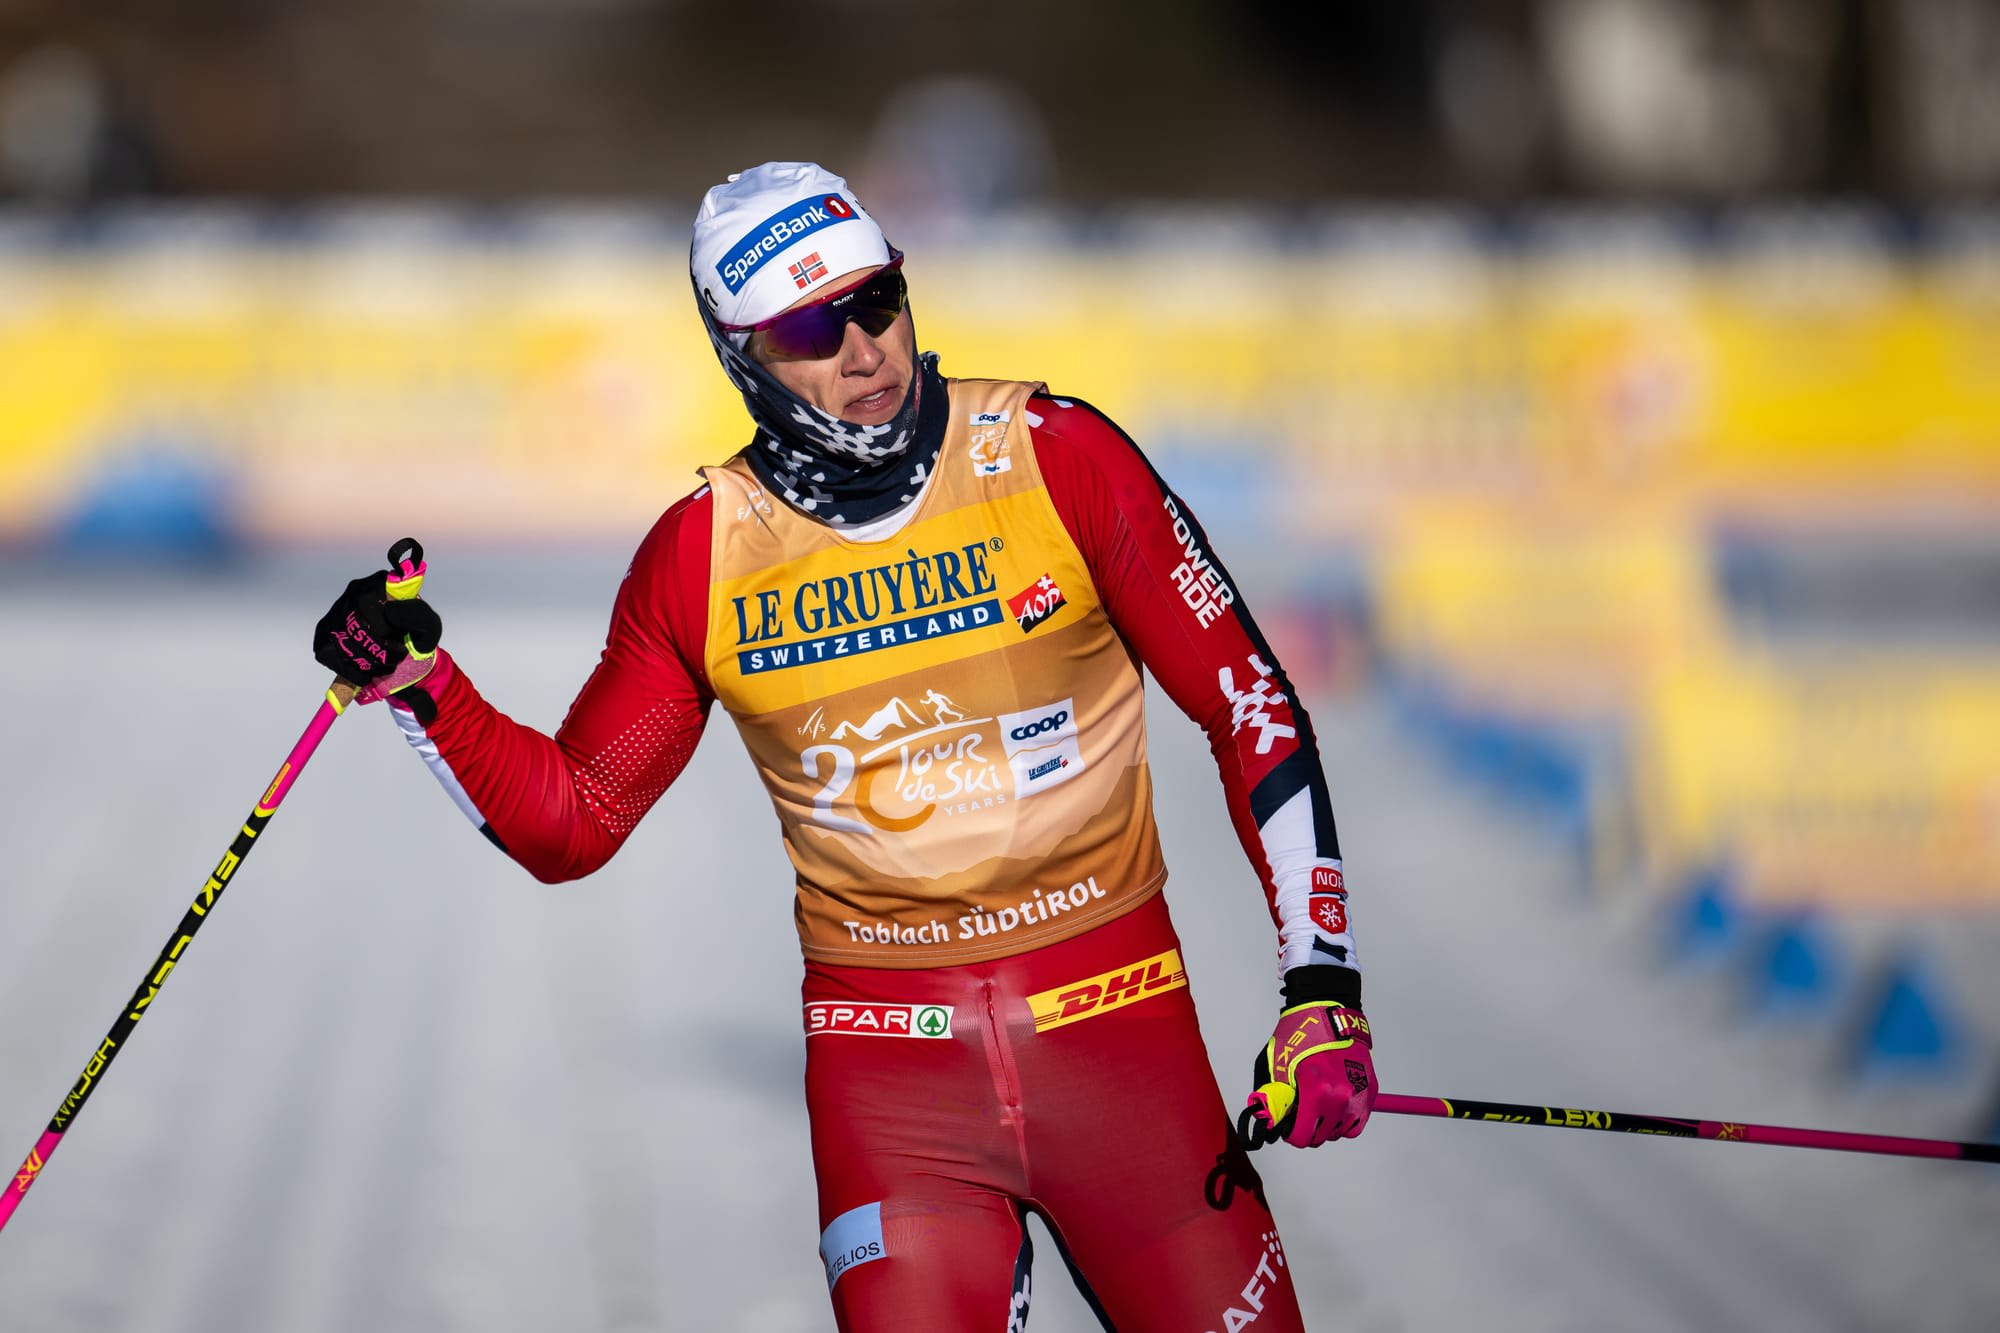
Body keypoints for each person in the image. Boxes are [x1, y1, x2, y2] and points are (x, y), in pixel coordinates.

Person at [313, 161, 1377, 1331]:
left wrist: (1319, 983)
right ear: (741, 356)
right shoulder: (702, 556)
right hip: (894, 1094)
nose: (863, 351)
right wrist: (421, 683)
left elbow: (1248, 704)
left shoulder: (1055, 455)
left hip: (1123, 1057)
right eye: (811, 332)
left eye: (877, 301)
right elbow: (572, 820)